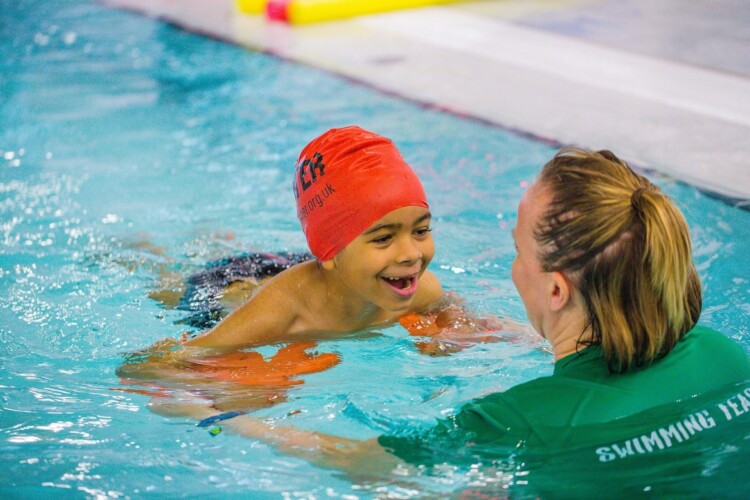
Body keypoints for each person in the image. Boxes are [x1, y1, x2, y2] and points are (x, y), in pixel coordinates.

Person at [162, 147, 750, 494]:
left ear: (555, 289)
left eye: (517, 251)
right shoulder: (726, 356)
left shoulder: (519, 419)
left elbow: (359, 462)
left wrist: (222, 418)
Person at [118, 126, 507, 396]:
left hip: (310, 265)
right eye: (384, 238)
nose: (411, 254)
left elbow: (469, 317)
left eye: (421, 230)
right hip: (225, 290)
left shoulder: (420, 288)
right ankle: (136, 251)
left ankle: (211, 239)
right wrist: (243, 379)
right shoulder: (283, 314)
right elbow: (143, 365)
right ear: (331, 251)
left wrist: (458, 328)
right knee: (168, 281)